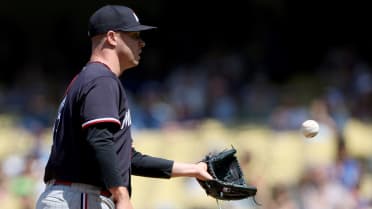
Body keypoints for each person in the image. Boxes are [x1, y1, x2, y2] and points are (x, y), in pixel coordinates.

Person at [36, 5, 213, 209]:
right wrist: (121, 194)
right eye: (135, 34)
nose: (142, 43)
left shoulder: (89, 79)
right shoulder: (101, 79)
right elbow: (100, 139)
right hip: (82, 197)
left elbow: (127, 159)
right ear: (112, 37)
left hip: (74, 195)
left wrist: (193, 169)